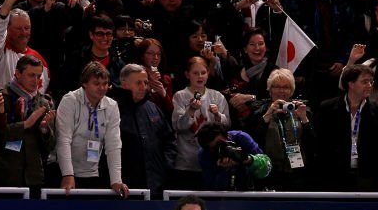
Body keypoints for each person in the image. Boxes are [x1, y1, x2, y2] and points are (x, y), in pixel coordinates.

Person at [315, 64, 378, 193]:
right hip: (334, 177)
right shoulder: (327, 109)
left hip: (368, 177)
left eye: (371, 81)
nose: (369, 85)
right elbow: (320, 145)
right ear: (351, 84)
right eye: (364, 82)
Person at [56, 61, 128, 195]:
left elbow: (114, 145)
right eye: (96, 84)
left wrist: (116, 180)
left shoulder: (112, 106)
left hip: (92, 173)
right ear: (84, 83)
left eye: (105, 84)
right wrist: (67, 174)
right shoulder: (70, 100)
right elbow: (63, 140)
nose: (102, 88)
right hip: (62, 172)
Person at [0, 54, 56, 192]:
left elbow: (49, 147)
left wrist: (44, 130)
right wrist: (26, 124)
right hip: (5, 176)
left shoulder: (44, 103)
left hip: (33, 177)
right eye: (31, 75)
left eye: (38, 76)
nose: (36, 81)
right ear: (18, 74)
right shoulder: (1, 98)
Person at [114, 63, 176, 197]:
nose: (143, 87)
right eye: (138, 83)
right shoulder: (113, 109)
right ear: (124, 84)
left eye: (145, 82)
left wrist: (166, 166)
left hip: (156, 183)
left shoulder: (153, 108)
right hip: (126, 185)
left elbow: (169, 139)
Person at [171, 56, 230, 189]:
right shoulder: (180, 96)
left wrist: (217, 115)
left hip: (212, 160)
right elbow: (178, 126)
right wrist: (191, 110)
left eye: (203, 73)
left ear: (208, 73)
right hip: (186, 162)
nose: (200, 76)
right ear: (187, 74)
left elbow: (227, 127)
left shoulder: (217, 96)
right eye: (195, 73)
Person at [195, 121, 271, 191]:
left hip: (252, 190)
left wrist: (248, 160)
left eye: (220, 144)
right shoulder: (204, 155)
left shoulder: (241, 138)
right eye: (214, 148)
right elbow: (212, 189)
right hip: (224, 199)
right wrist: (224, 170)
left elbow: (266, 168)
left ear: (227, 136)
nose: (218, 149)